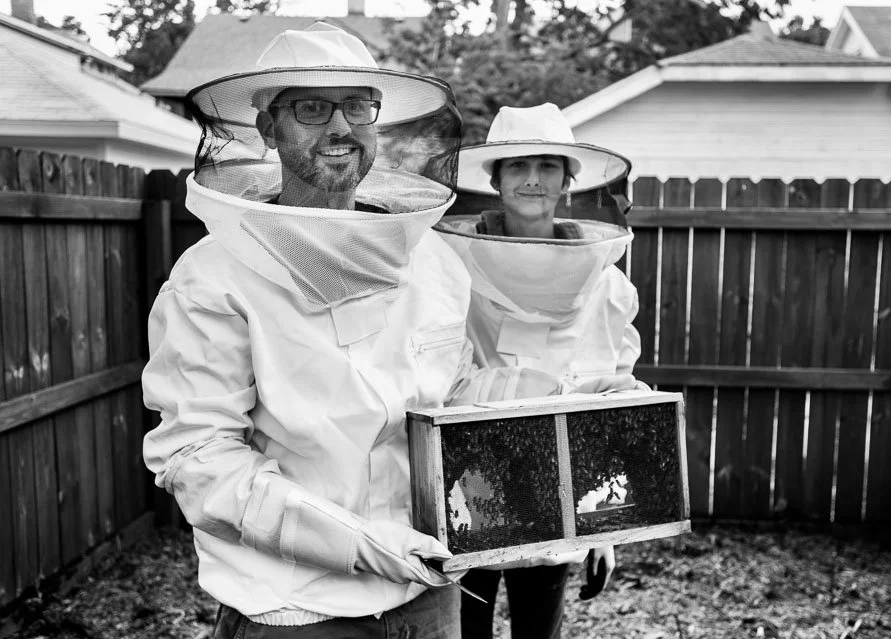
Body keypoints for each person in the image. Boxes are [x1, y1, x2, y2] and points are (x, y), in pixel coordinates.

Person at [141, 24, 567, 639]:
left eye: (357, 105)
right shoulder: (212, 278)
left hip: (428, 593)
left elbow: (449, 396)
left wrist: (565, 398)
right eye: (312, 109)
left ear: (377, 119)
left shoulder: (431, 261)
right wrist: (360, 543)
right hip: (294, 609)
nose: (340, 127)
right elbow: (200, 459)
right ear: (267, 128)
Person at [435, 103, 647, 639]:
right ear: (495, 178)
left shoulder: (607, 286)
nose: (532, 179)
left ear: (568, 182)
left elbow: (609, 404)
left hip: (561, 487)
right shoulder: (447, 268)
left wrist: (604, 527)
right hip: (470, 483)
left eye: (548, 166)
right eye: (517, 165)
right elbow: (433, 377)